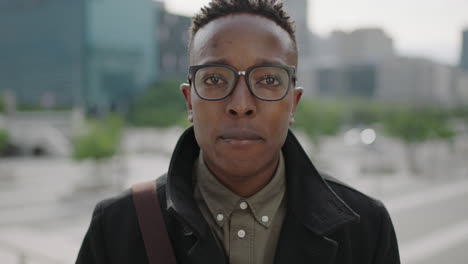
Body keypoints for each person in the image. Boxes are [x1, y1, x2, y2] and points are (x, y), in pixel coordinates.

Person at [76, 0, 400, 263]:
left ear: (293, 104)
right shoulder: (118, 227)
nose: (241, 104)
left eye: (269, 80)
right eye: (216, 79)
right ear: (190, 101)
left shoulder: (366, 228)